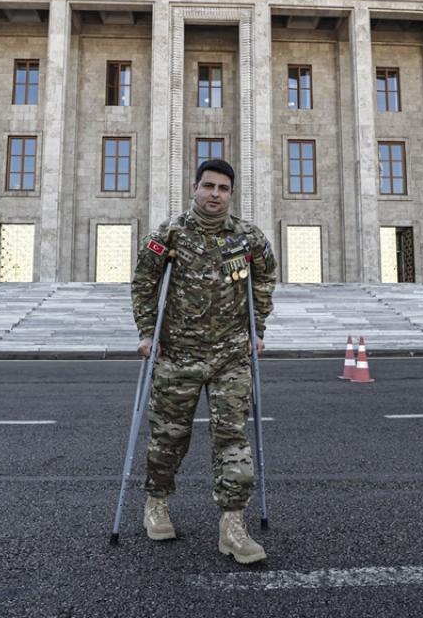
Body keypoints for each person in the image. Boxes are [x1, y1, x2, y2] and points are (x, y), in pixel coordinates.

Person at [130, 159, 277, 564]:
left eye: (223, 188)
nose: (215, 194)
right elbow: (145, 282)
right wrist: (147, 332)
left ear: (231, 193)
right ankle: (156, 502)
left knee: (232, 438)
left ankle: (232, 525)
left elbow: (265, 278)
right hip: (178, 353)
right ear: (194, 188)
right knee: (169, 437)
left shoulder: (248, 238)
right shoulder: (169, 234)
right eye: (208, 186)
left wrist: (257, 327)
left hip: (230, 354)